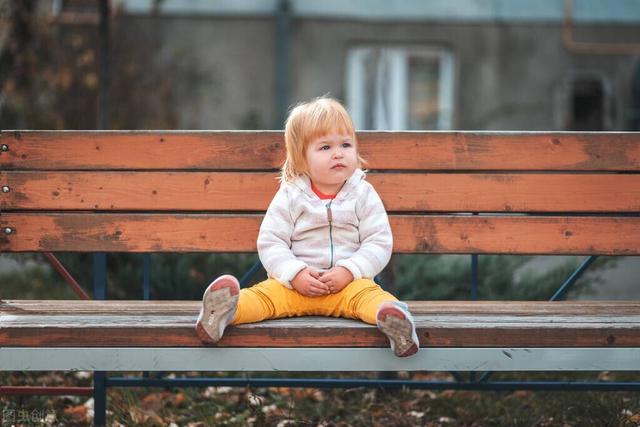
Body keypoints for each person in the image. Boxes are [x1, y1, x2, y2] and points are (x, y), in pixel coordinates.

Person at [195, 96, 419, 357]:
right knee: (263, 298)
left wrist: (349, 270)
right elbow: (271, 242)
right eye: (325, 147)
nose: (338, 153)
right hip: (293, 287)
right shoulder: (291, 195)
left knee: (372, 299)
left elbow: (378, 242)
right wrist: (295, 273)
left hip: (348, 287)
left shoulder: (363, 193)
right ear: (302, 158)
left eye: (346, 144)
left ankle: (396, 324)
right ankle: (222, 313)